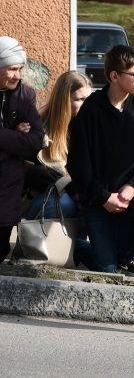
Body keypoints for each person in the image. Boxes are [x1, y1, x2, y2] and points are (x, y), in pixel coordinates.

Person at [67, 45, 134, 278]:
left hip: (130, 194)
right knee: (107, 271)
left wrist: (132, 187)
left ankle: (128, 255)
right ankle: (78, 247)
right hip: (97, 199)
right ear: (114, 76)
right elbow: (77, 164)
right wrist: (104, 197)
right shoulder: (91, 110)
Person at [22, 71, 92, 265]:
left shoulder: (87, 126)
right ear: (64, 100)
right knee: (67, 202)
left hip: (75, 196)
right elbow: (35, 173)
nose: (87, 105)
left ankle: (77, 247)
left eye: (89, 99)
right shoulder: (40, 128)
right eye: (81, 99)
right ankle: (29, 246)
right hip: (40, 202)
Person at [0, 36, 45, 262]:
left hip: (8, 187)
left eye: (20, 69)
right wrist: (15, 136)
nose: (18, 75)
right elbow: (23, 143)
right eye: (12, 69)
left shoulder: (25, 95)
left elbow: (36, 141)